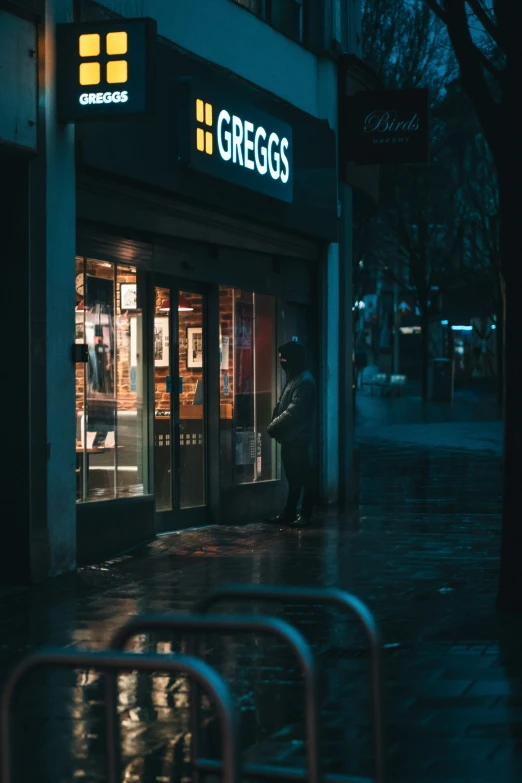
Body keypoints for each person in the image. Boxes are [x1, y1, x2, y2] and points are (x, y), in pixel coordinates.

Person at [266, 341, 316, 526]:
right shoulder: (295, 378)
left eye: (284, 358)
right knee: (293, 478)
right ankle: (289, 512)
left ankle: (305, 514)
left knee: (304, 477)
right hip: (289, 437)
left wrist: (274, 426)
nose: (281, 361)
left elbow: (293, 411)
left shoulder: (303, 381)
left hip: (297, 438)